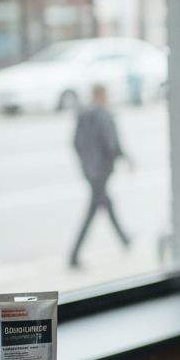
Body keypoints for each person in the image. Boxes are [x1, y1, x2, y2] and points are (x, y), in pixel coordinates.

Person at [69, 84, 132, 268]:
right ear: (101, 95)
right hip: (102, 171)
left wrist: (86, 164)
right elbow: (112, 143)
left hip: (91, 171)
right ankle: (73, 256)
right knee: (93, 211)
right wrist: (124, 158)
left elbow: (75, 143)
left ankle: (124, 239)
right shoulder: (103, 116)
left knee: (107, 205)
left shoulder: (83, 116)